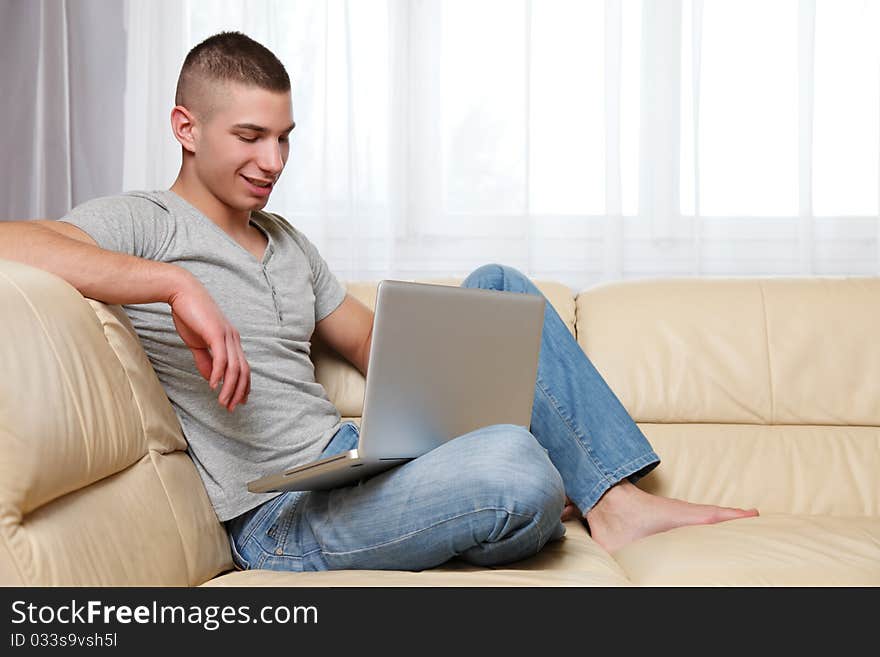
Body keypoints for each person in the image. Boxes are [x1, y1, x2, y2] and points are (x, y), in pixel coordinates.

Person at [0, 32, 757, 572]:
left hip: (349, 463)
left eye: (285, 138)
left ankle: (613, 499)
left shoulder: (286, 240)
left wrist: (458, 389)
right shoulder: (147, 223)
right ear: (186, 129)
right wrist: (173, 282)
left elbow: (377, 347)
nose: (273, 162)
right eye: (251, 136)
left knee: (501, 287)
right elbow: (12, 239)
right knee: (516, 468)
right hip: (278, 516)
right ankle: (531, 496)